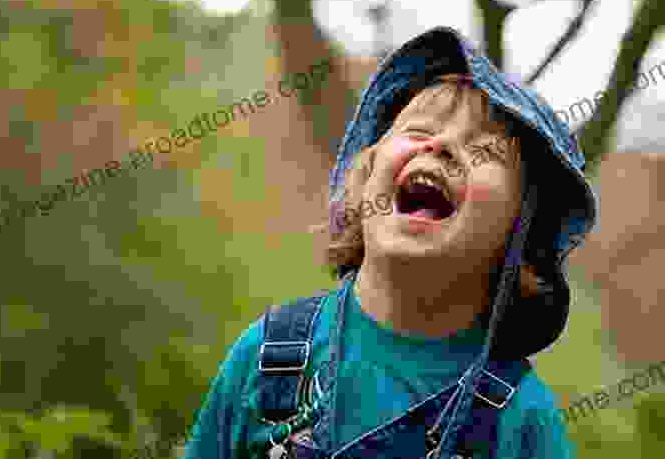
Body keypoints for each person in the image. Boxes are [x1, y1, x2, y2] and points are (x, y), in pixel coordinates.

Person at [181, 26, 598, 459]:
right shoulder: (269, 356)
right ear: (362, 186)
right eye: (418, 130)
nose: (441, 146)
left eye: (485, 151)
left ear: (523, 240)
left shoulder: (520, 418)